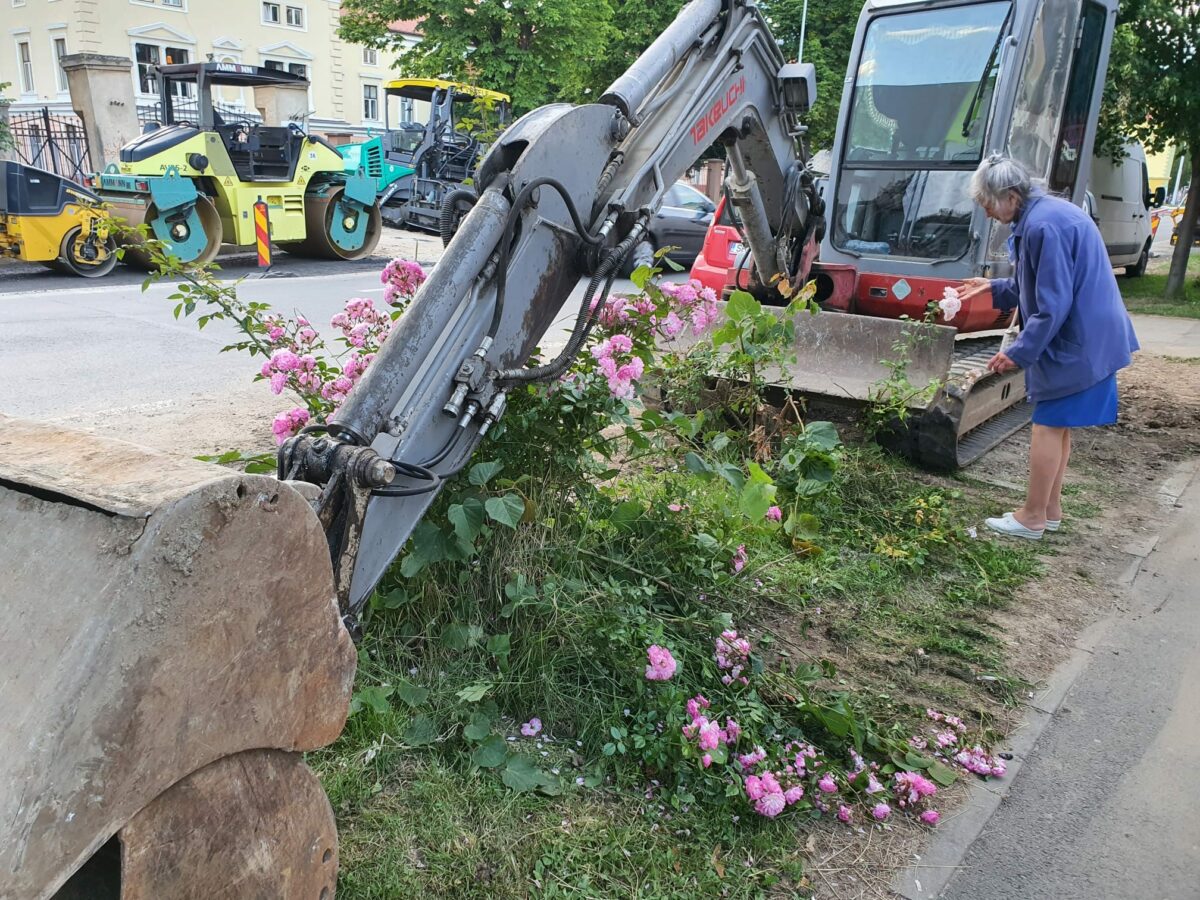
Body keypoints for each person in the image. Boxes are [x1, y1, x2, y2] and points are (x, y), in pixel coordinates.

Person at [956, 154, 1139, 540]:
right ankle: (1050, 509)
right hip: (1090, 334)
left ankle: (1032, 516)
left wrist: (1018, 352)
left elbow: (1051, 304)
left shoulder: (1042, 227)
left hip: (1078, 339)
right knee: (1059, 425)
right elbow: (1036, 283)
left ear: (1008, 196)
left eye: (988, 205)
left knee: (1046, 425)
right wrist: (990, 287)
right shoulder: (1048, 215)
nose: (988, 214)